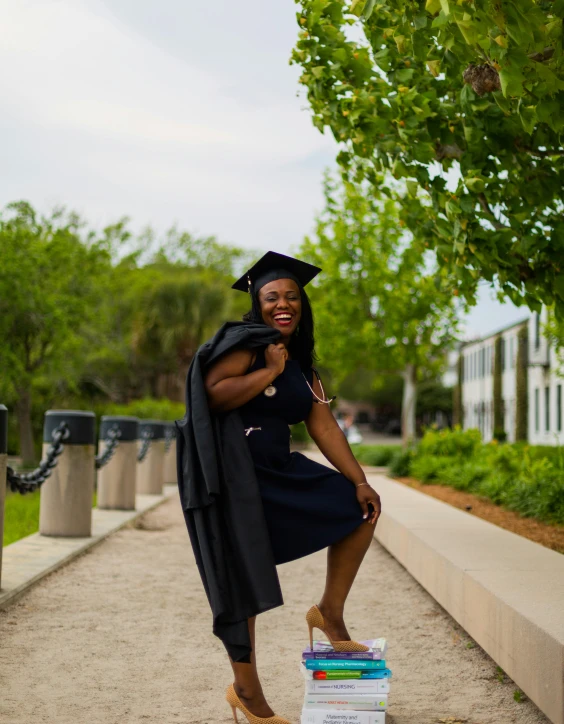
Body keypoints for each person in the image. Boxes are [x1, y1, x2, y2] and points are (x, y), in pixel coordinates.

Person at [177, 251, 381, 724]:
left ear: (302, 305)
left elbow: (324, 427)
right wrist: (267, 370)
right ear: (257, 301)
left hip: (279, 469)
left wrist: (360, 481)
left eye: (292, 296)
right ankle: (247, 693)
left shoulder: (303, 367)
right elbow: (210, 393)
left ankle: (329, 612)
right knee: (243, 582)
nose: (282, 304)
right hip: (235, 479)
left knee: (359, 510)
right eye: (272, 297)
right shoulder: (246, 345)